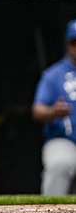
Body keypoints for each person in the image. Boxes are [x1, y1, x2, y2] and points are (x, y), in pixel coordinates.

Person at [32, 19, 76, 196]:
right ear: (68, 45)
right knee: (60, 163)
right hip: (63, 139)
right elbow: (37, 110)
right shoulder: (53, 75)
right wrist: (53, 112)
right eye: (74, 42)